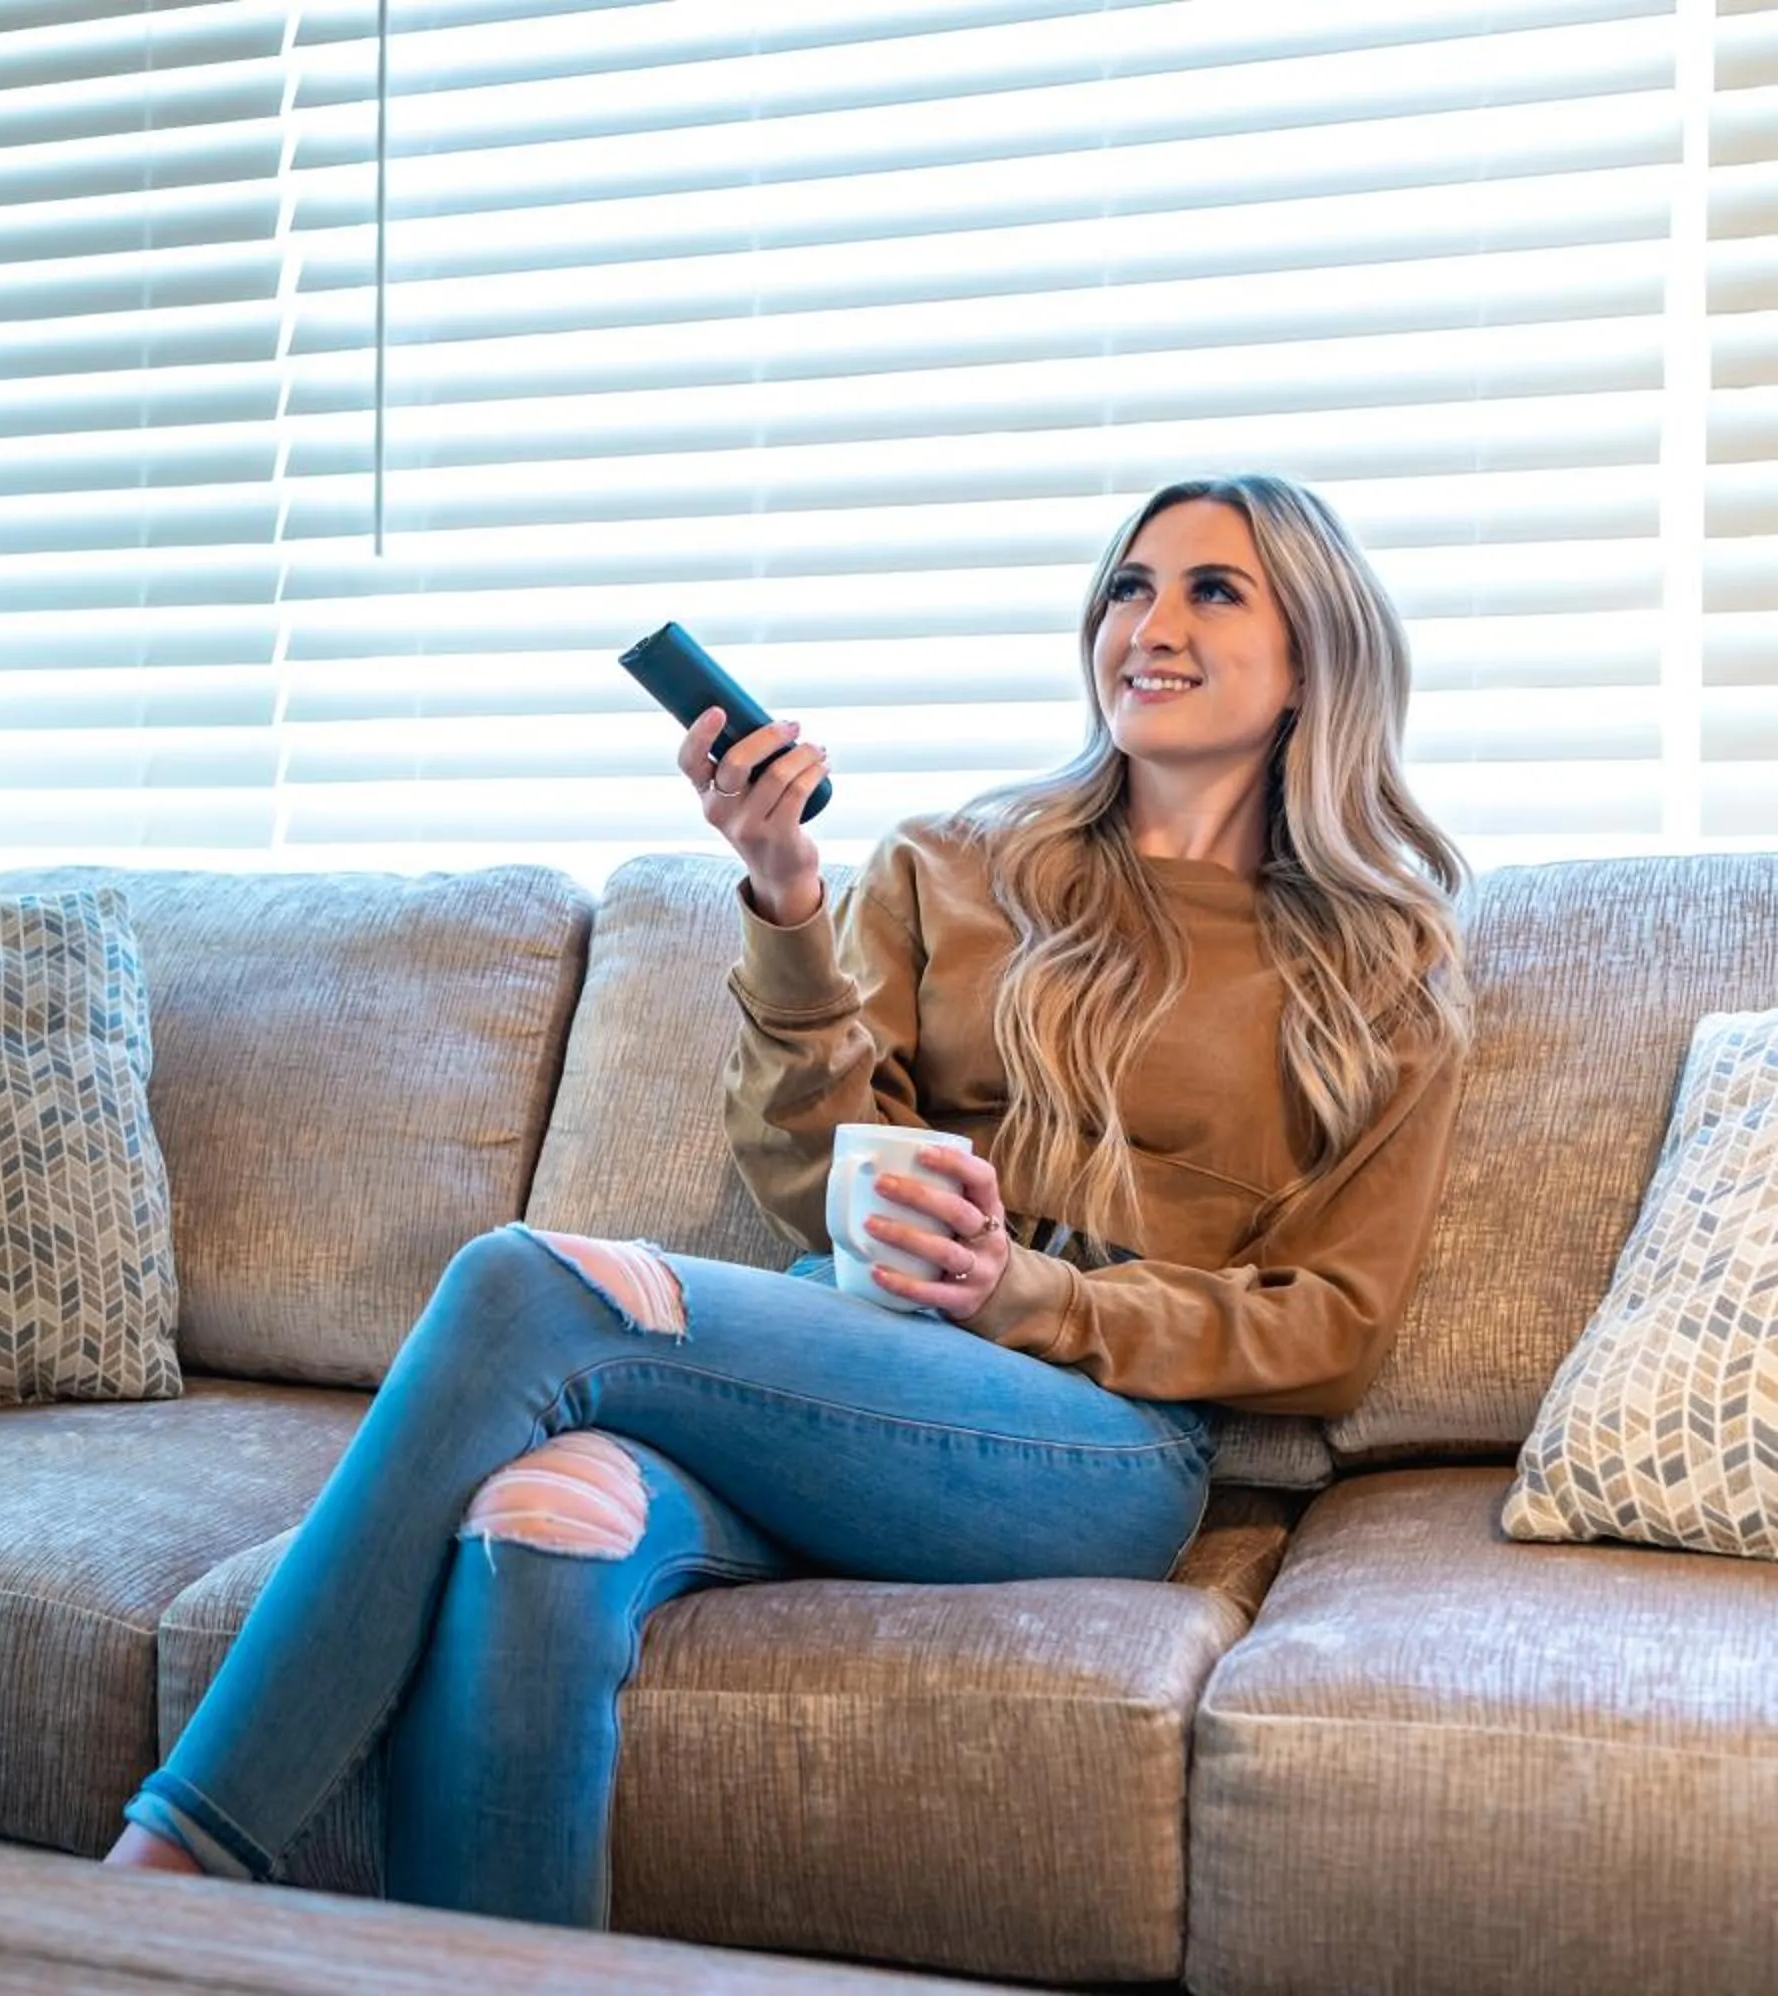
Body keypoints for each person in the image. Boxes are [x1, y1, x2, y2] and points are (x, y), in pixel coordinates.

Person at [100, 473, 1473, 1928]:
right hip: (851, 1360)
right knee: (543, 1521)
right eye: (1129, 586)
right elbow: (813, 1176)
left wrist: (1038, 1294)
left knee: (527, 1284)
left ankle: (162, 1876)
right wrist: (787, 894)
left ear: (1316, 653)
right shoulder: (957, 864)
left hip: (1096, 1448)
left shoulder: (1375, 960)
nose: (1149, 623)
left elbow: (1337, 1327)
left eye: (1214, 590)